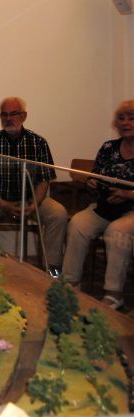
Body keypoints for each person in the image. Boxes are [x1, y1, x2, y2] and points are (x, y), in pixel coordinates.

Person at [0, 97, 67, 274]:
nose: (8, 118)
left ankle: (52, 271)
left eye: (14, 114)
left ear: (23, 116)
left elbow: (44, 179)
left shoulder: (38, 142)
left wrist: (34, 204)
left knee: (58, 213)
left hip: (31, 199)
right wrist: (1, 203)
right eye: (4, 114)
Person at [61, 101, 134, 309]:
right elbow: (95, 176)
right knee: (77, 224)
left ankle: (114, 294)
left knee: (117, 231)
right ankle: (71, 283)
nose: (126, 123)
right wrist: (92, 182)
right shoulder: (108, 147)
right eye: (121, 118)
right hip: (104, 206)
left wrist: (127, 194)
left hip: (131, 211)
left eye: (131, 118)